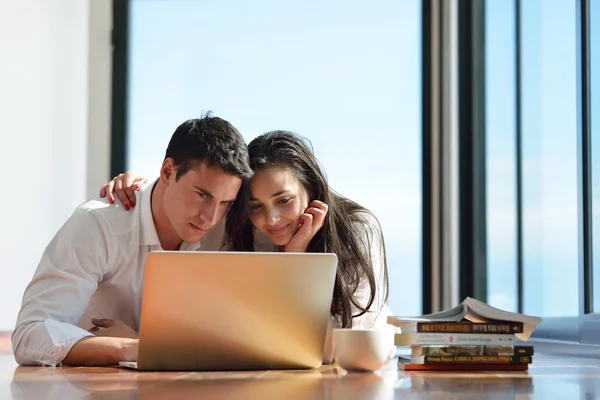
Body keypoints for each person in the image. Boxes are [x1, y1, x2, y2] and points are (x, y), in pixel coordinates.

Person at [103, 130, 394, 362]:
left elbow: (345, 345)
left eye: (284, 200)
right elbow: (228, 333)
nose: (272, 219)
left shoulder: (357, 229)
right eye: (256, 206)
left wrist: (293, 263)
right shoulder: (249, 233)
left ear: (312, 188)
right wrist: (136, 188)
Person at [12, 115, 253, 366]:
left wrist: (144, 344)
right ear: (168, 172)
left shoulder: (226, 233)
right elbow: (29, 337)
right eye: (202, 195)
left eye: (225, 202)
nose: (210, 217)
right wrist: (131, 348)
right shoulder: (98, 224)